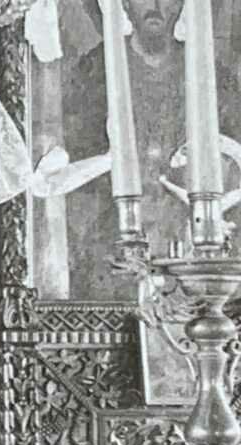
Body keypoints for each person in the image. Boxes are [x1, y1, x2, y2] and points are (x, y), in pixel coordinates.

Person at [36, 0, 240, 299]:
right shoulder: (95, 70)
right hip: (114, 227)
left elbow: (233, 154)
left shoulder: (212, 75)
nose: (155, 7)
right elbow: (68, 161)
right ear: (126, 6)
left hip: (194, 231)